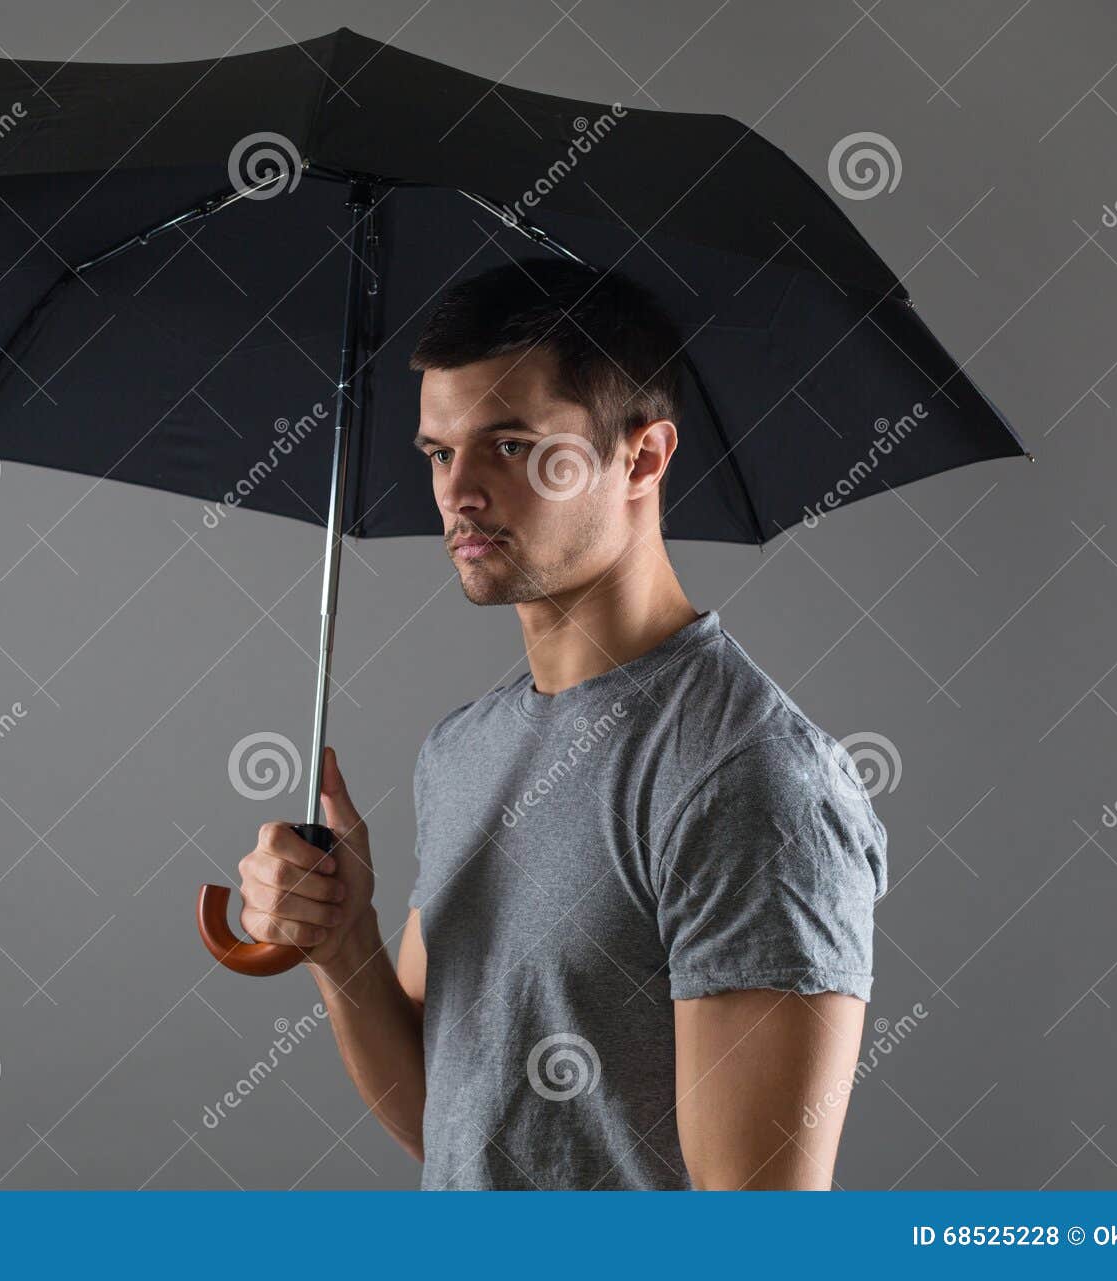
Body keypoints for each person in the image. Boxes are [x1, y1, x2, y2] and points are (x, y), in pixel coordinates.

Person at [230, 258, 888, 1190]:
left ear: (643, 458)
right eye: (438, 453)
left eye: (510, 445)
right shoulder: (460, 750)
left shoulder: (747, 775)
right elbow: (455, 1122)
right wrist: (343, 947)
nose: (458, 491)